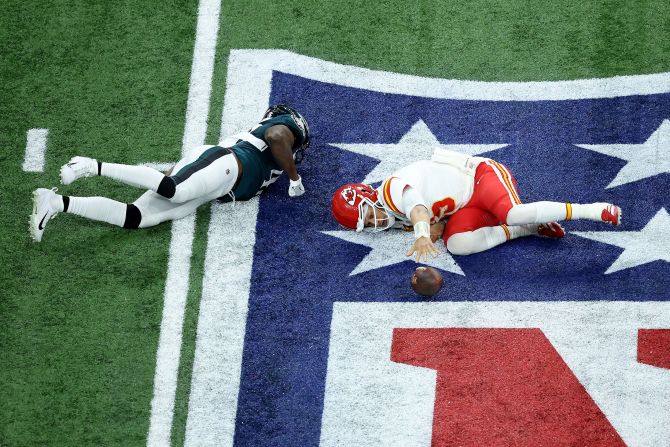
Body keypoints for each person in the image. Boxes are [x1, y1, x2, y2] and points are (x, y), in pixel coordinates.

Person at [30, 104, 310, 242]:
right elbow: (275, 135)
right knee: (175, 189)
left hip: (218, 186)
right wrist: (294, 178)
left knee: (136, 217)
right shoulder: (284, 128)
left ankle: (55, 203)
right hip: (227, 165)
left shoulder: (276, 153)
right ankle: (91, 165)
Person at [331, 149, 621, 262]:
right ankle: (528, 230)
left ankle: (591, 210)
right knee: (457, 245)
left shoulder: (392, 190)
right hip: (466, 206)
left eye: (367, 215)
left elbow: (418, 210)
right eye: (366, 225)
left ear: (367, 196)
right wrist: (434, 230)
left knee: (511, 212)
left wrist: (421, 234)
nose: (373, 223)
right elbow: (440, 222)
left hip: (480, 177)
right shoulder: (391, 216)